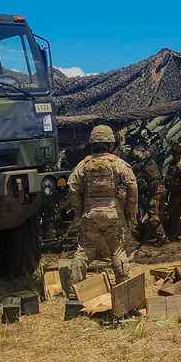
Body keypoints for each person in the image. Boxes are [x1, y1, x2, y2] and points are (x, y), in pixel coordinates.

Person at [67, 125, 139, 294]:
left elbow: (72, 187)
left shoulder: (83, 165)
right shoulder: (118, 163)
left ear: (93, 144)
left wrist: (79, 212)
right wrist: (131, 209)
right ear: (110, 143)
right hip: (113, 214)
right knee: (118, 251)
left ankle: (72, 292)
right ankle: (122, 290)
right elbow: (132, 185)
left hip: (90, 215)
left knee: (84, 252)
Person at [129, 144, 167, 245]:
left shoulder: (141, 164)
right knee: (160, 214)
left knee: (153, 215)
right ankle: (162, 235)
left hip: (154, 189)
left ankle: (161, 236)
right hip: (162, 187)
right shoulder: (152, 162)